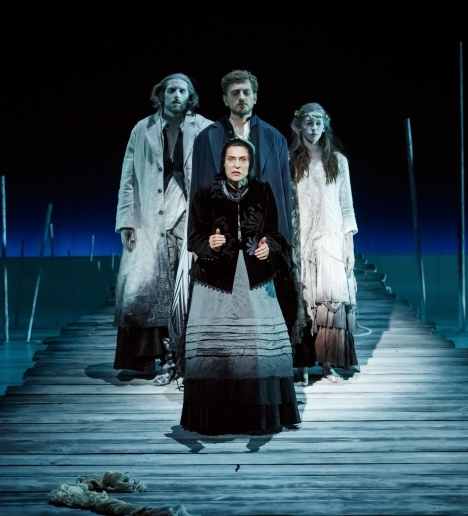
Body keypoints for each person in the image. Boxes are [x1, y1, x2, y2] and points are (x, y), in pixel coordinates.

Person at [181, 138, 301, 435]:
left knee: (255, 349)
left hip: (255, 281)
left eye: (243, 159)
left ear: (251, 163)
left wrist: (268, 247)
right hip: (215, 283)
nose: (237, 165)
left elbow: (276, 233)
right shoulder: (205, 194)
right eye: (231, 159)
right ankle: (217, 419)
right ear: (223, 163)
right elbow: (194, 239)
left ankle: (257, 416)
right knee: (218, 350)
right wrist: (209, 244)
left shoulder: (263, 191)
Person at [114, 74, 213, 374]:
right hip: (149, 215)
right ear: (161, 94)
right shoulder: (142, 129)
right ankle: (149, 356)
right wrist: (126, 221)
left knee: (189, 281)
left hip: (189, 212)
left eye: (182, 91)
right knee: (147, 284)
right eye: (171, 90)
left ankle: (187, 356)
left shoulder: (205, 128)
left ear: (190, 96)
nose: (176, 96)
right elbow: (128, 178)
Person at [289, 103, 358, 384]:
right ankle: (302, 368)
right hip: (301, 240)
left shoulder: (338, 161)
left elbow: (346, 205)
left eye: (318, 123)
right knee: (303, 300)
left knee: (329, 304)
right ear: (299, 126)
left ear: (324, 126)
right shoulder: (290, 160)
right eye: (308, 122)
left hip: (330, 240)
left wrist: (348, 243)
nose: (313, 128)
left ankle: (328, 365)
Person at [191, 70, 294, 243]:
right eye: (235, 93)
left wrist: (284, 243)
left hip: (262, 240)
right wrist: (197, 242)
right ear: (225, 99)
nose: (241, 97)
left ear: (255, 98)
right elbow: (197, 190)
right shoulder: (205, 138)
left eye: (246, 92)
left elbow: (283, 194)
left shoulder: (275, 139)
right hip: (220, 238)